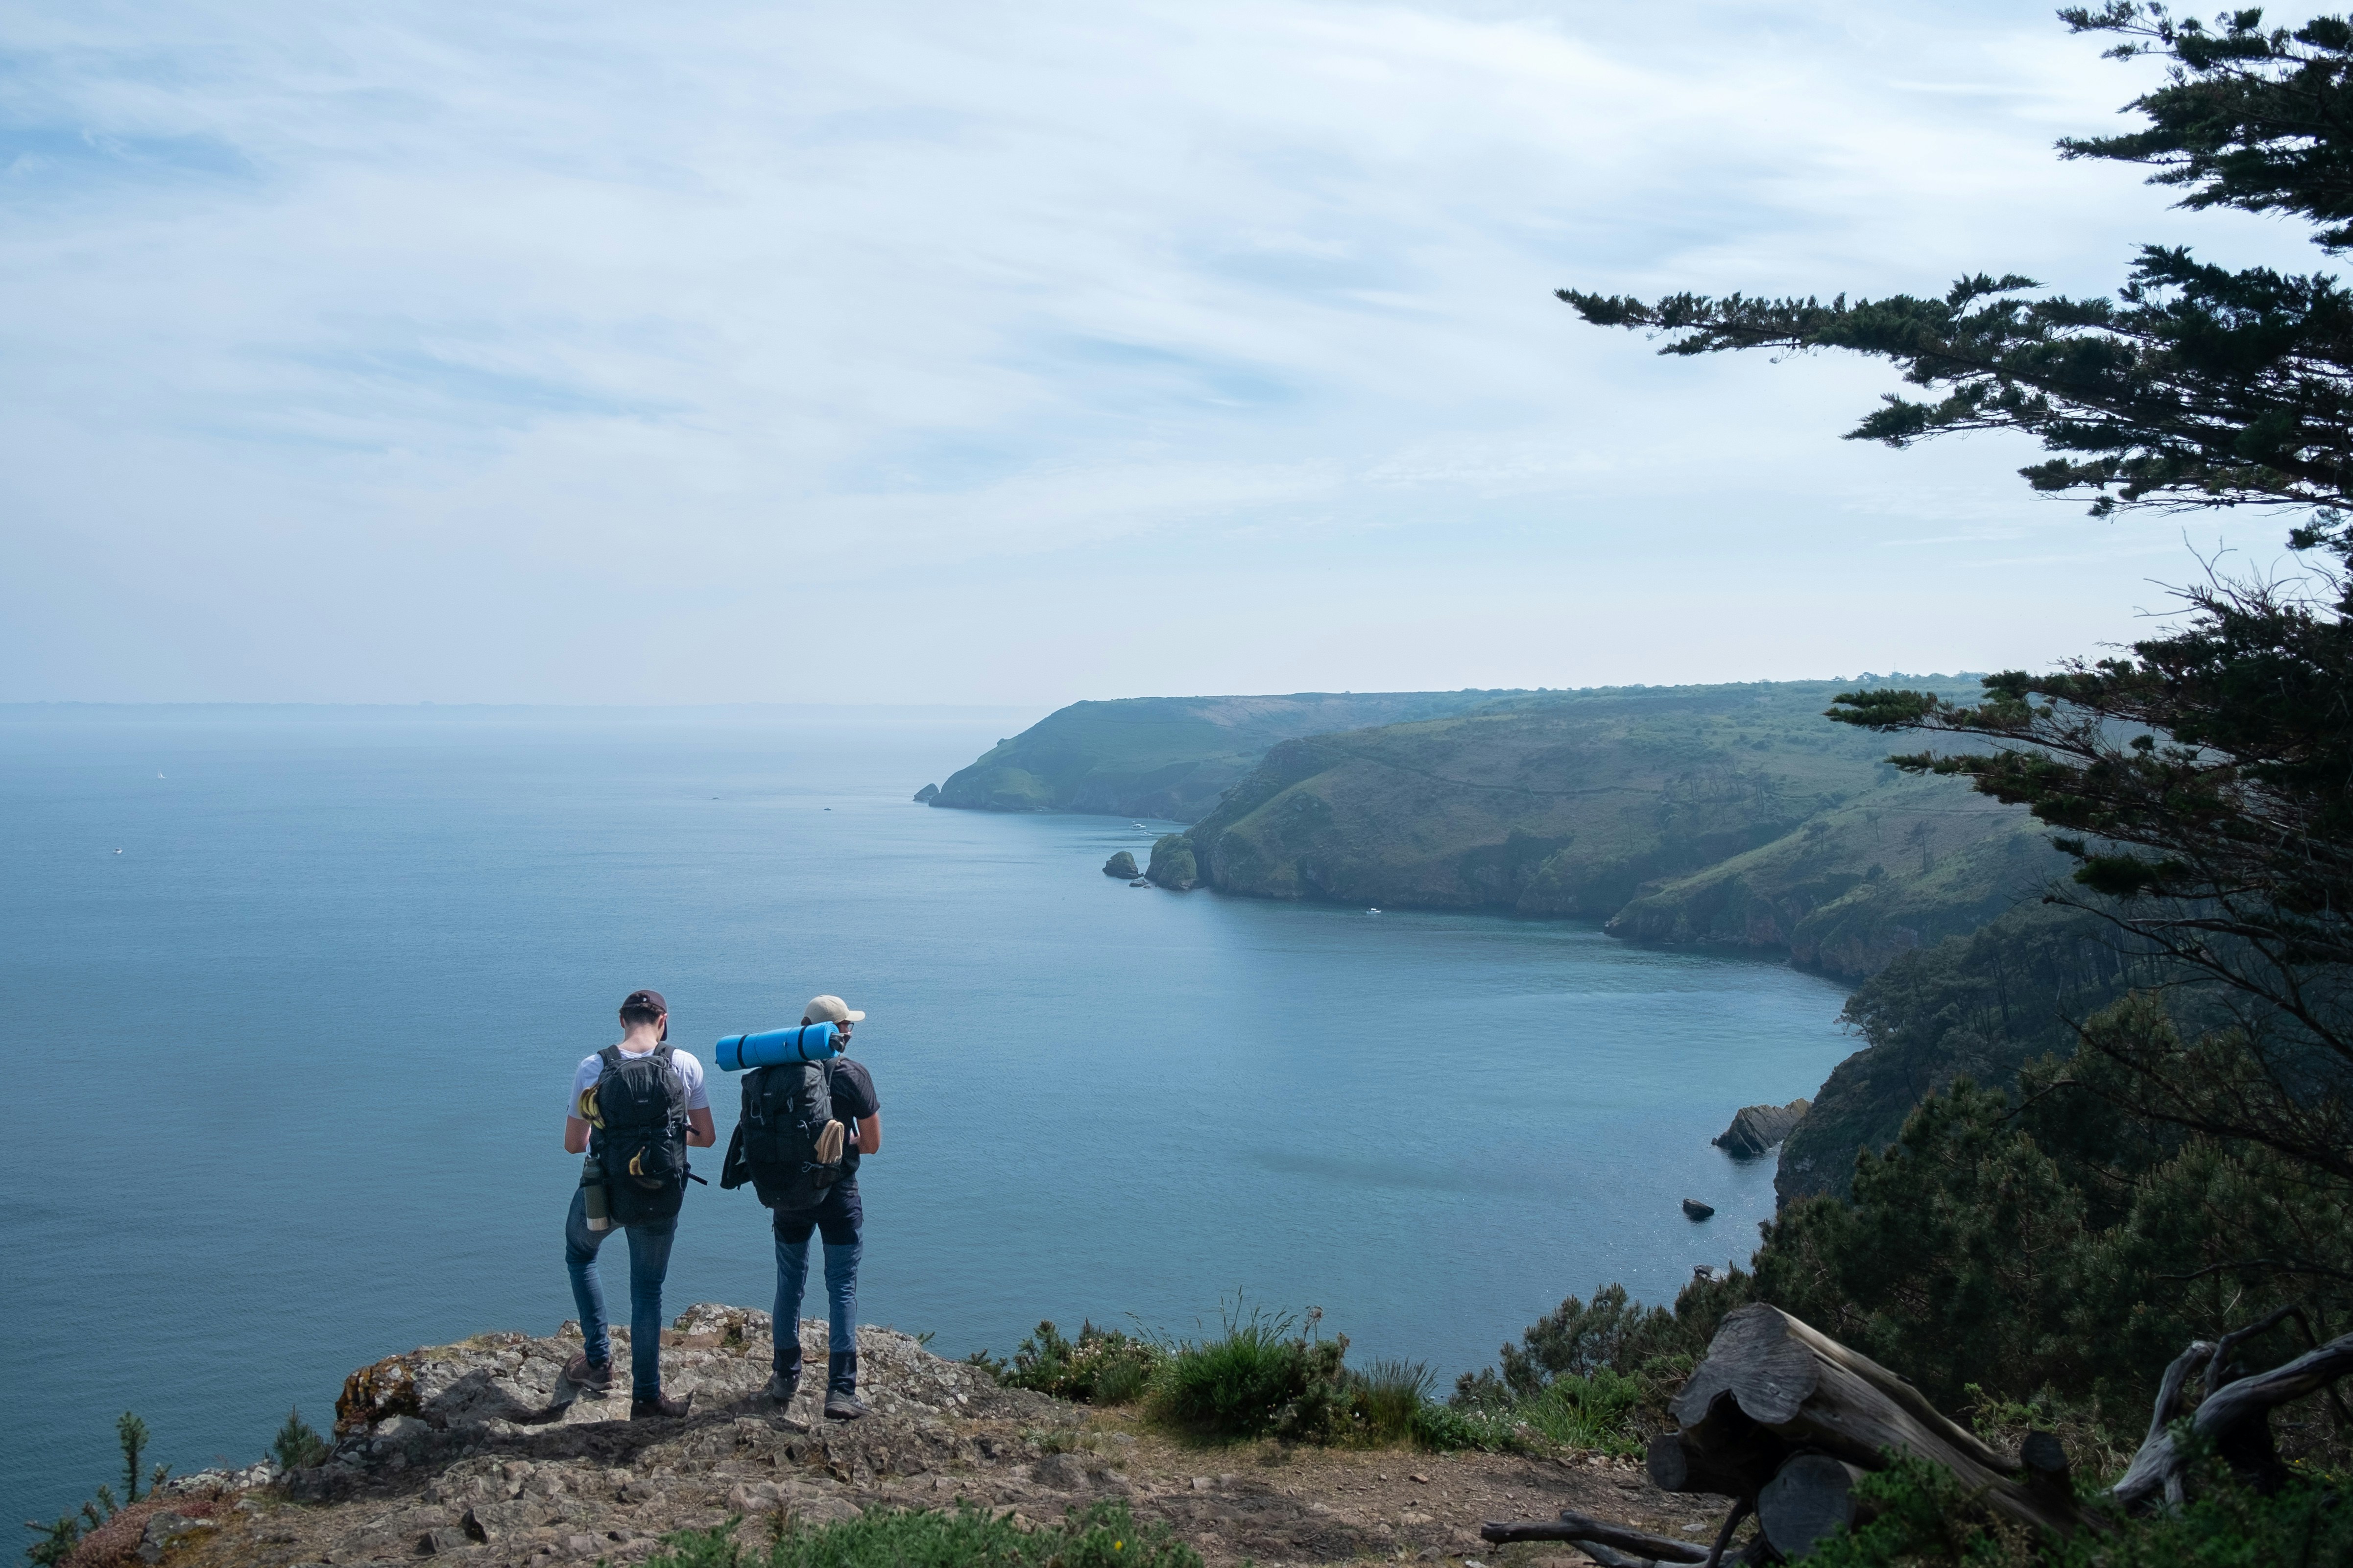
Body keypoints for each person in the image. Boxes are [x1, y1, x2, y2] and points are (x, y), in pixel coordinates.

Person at [562, 988, 716, 1420]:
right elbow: (706, 1136)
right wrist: (660, 1144)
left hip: (605, 1191)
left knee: (580, 1255)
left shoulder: (593, 1067)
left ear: (621, 1020)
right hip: (659, 1193)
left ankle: (598, 1362)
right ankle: (647, 1397)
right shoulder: (685, 1064)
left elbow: (575, 1145)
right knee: (648, 1291)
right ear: (663, 1020)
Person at [768, 994, 881, 1421]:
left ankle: (784, 1375)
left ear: (803, 1026)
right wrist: (842, 1142)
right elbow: (871, 1145)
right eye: (847, 1025)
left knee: (790, 1282)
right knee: (842, 1287)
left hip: (789, 1193)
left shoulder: (778, 1069)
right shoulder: (853, 1075)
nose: (850, 1030)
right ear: (842, 1034)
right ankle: (840, 1390)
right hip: (838, 1194)